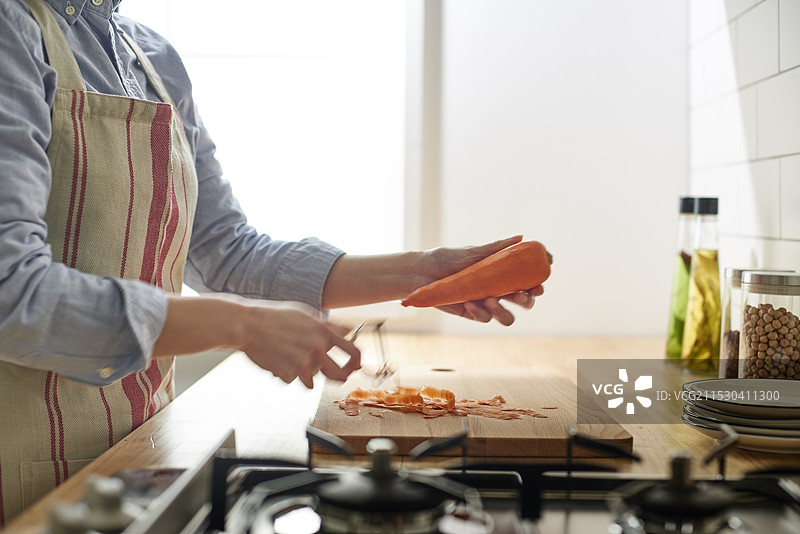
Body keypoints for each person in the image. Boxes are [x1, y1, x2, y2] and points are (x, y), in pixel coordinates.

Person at [0, 0, 544, 525]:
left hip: (136, 452)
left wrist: (426, 271)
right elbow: (11, 292)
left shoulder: (149, 55)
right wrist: (239, 324)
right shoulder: (11, 30)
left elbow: (227, 250)